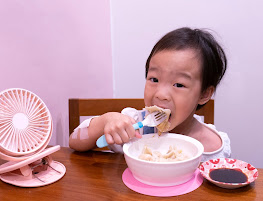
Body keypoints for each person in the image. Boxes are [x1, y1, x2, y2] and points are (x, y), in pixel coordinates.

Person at [69, 27, 231, 161]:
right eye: (154, 79)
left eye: (179, 84)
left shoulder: (215, 147)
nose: (161, 94)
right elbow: (74, 141)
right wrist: (106, 121)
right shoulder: (133, 127)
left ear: (204, 94)